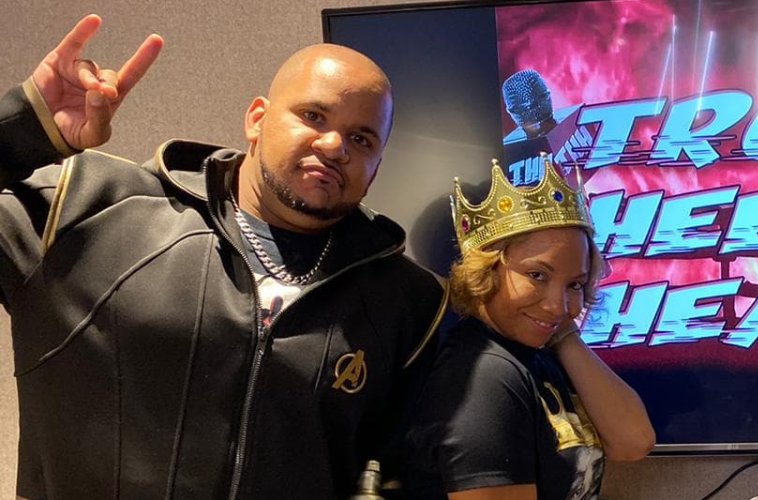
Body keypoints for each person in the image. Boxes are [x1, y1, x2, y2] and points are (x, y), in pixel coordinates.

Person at [0, 15, 446, 499]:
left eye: (361, 139)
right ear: (257, 119)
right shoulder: (84, 206)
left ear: (376, 167)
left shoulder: (407, 303)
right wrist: (24, 127)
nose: (334, 145)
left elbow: (407, 472)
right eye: (313, 116)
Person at [400, 156, 654, 500]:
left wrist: (563, 333)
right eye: (537, 275)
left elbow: (633, 441)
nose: (559, 305)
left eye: (575, 284)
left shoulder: (536, 354)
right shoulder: (487, 375)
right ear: (485, 270)